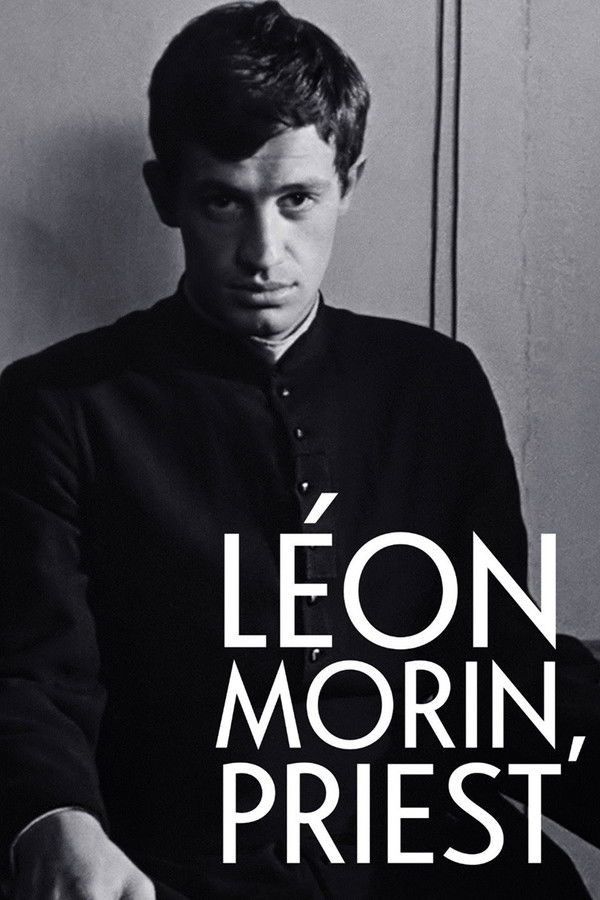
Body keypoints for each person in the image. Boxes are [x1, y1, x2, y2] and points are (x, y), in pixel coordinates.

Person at [0, 3, 598, 898]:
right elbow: (33, 675)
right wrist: (51, 822)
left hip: (435, 855)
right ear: (166, 195)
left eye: (297, 201)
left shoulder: (435, 384)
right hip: (186, 867)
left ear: (347, 183)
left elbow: (501, 659)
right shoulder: (56, 403)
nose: (263, 253)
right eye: (222, 201)